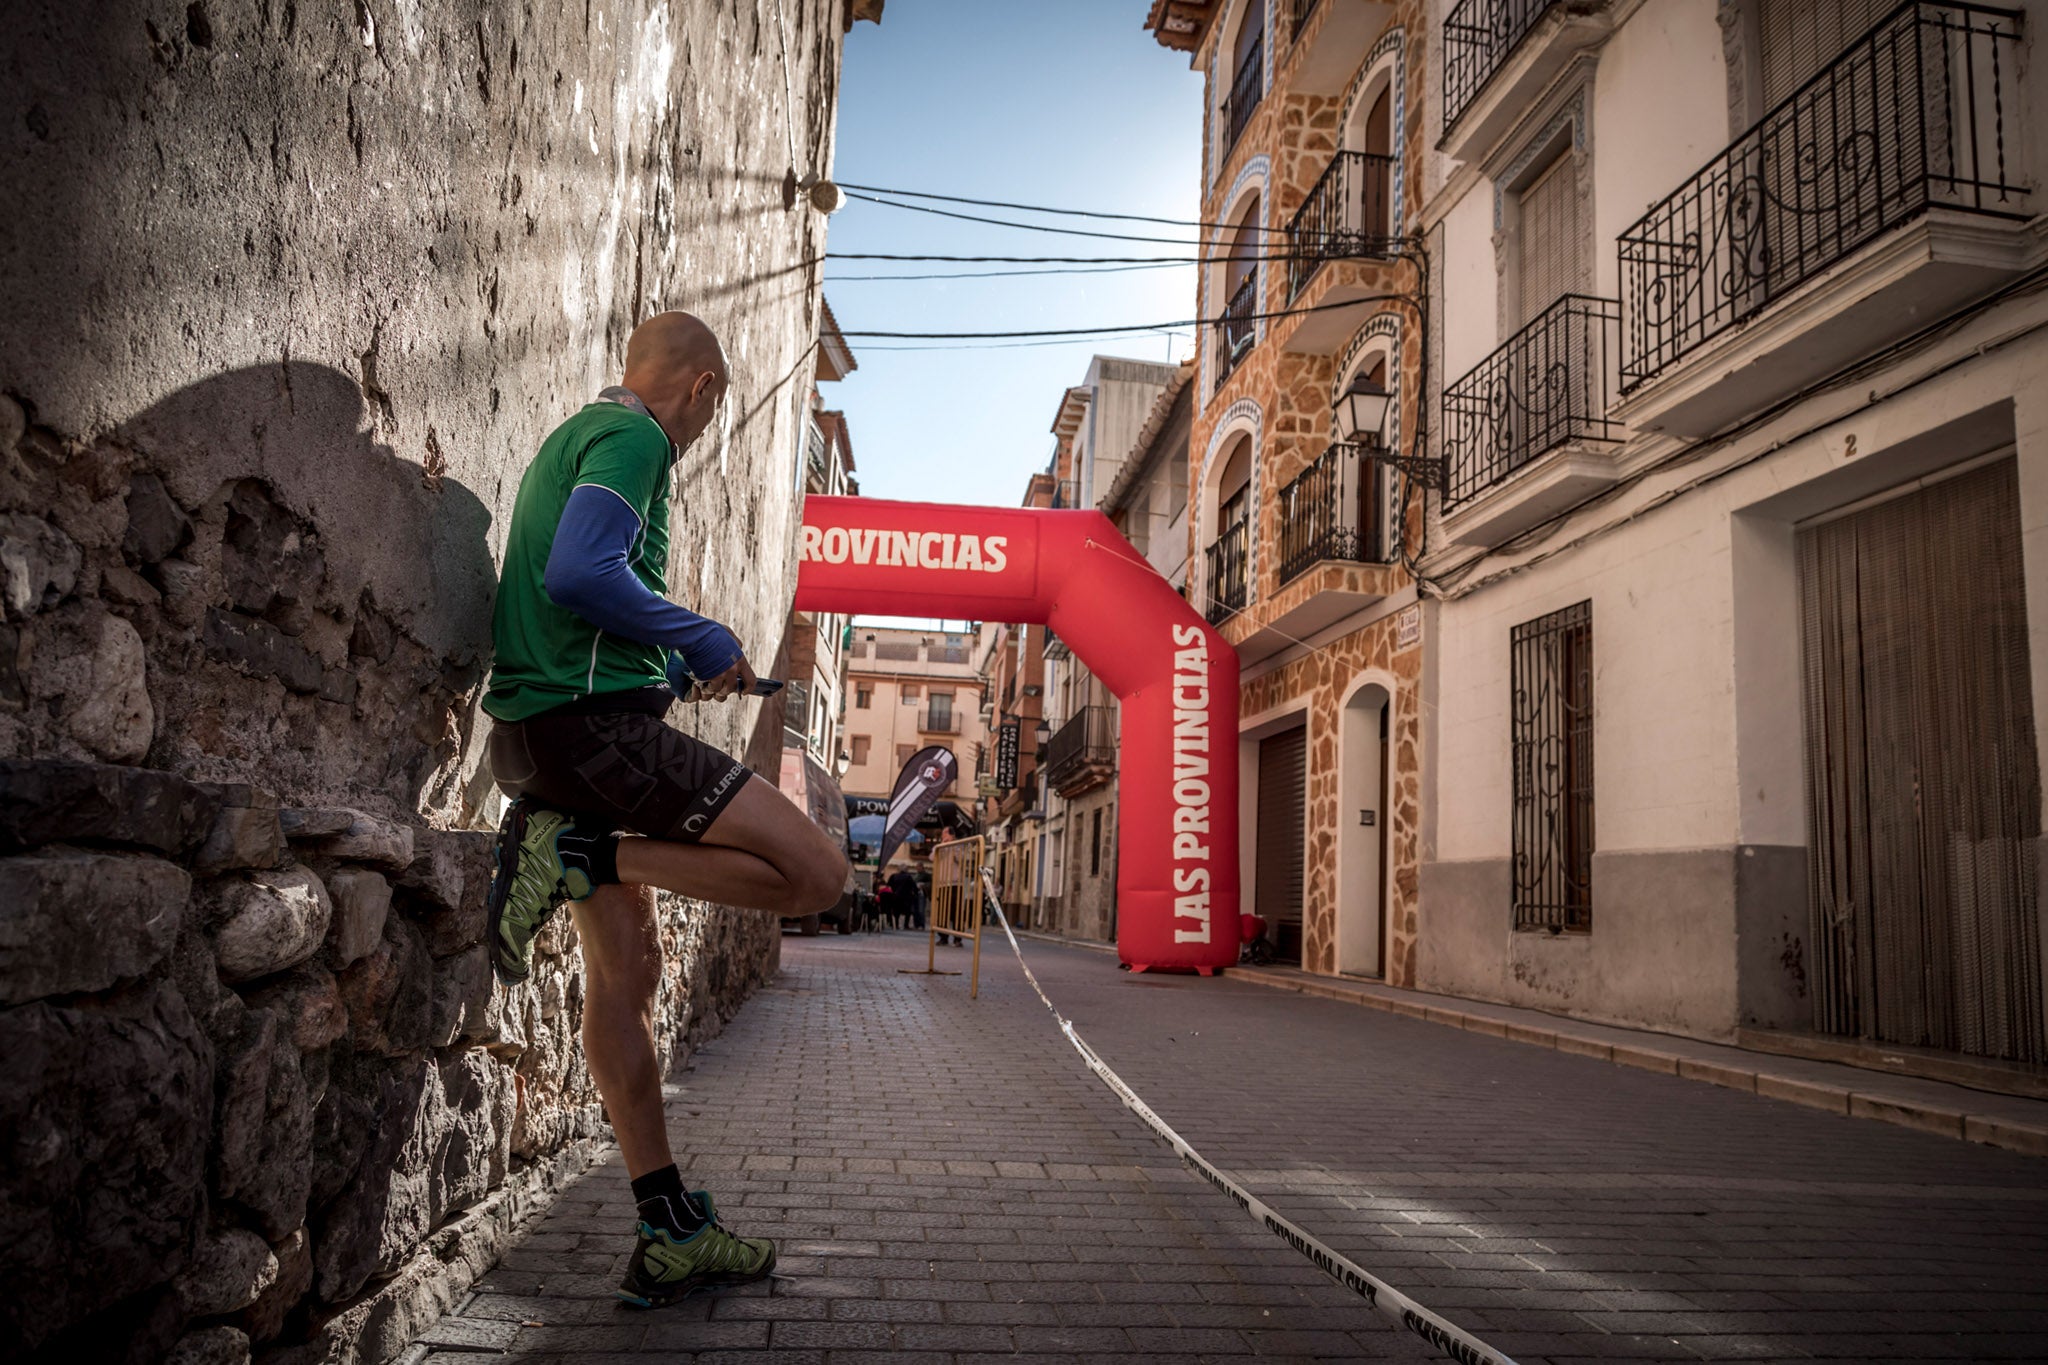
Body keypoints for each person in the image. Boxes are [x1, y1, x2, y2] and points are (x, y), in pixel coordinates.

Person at [479, 312, 849, 1310]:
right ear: (703, 390)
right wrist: (702, 628)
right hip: (591, 738)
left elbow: (582, 605)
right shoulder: (637, 436)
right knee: (817, 874)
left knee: (628, 975)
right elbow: (578, 574)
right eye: (709, 408)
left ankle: (664, 1227)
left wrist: (686, 662)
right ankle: (585, 850)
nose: (699, 427)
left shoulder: (581, 435)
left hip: (558, 735)